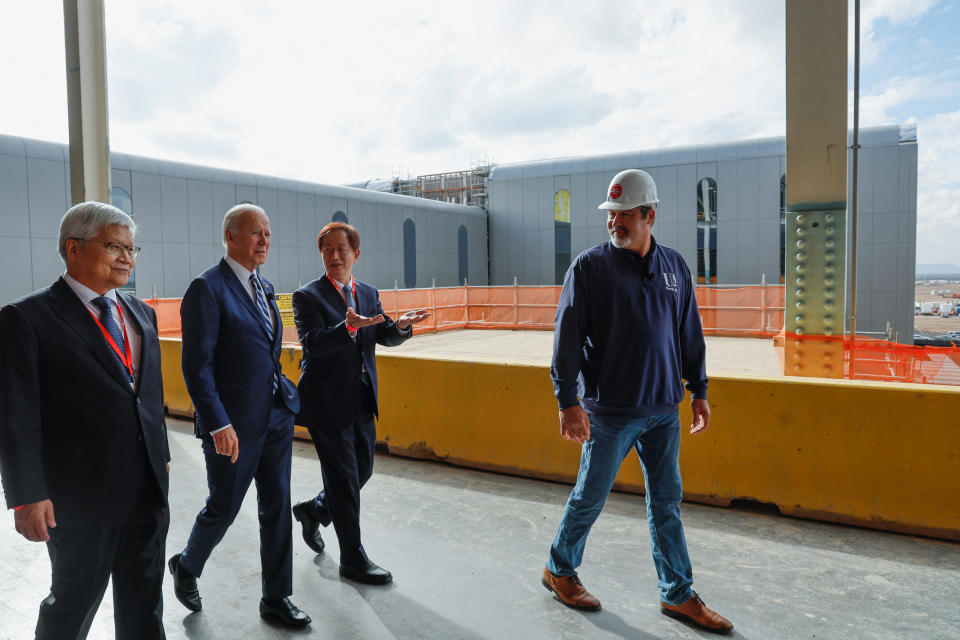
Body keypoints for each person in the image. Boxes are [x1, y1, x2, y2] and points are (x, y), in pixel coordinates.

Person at [541, 169, 733, 634]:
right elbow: (566, 338)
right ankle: (559, 569)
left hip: (664, 411)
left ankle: (678, 594)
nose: (616, 223)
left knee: (667, 502)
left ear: (650, 215)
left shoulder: (675, 267)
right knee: (591, 494)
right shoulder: (589, 268)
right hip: (610, 412)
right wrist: (568, 399)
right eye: (612, 215)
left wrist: (699, 390)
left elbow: (689, 333)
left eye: (626, 215)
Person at [0, 202, 170, 639]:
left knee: (145, 601)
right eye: (115, 246)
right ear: (73, 249)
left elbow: (146, 396)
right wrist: (26, 497)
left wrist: (161, 455)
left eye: (133, 248)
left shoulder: (140, 313)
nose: (127, 258)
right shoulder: (27, 318)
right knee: (73, 604)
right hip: (78, 499)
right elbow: (16, 416)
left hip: (146, 491)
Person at [168, 204, 310, 628]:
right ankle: (188, 565)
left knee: (277, 505)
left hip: (276, 416)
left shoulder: (265, 287)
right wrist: (218, 423)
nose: (265, 241)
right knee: (225, 505)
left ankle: (276, 598)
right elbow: (197, 367)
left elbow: (266, 349)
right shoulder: (206, 289)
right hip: (232, 425)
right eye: (255, 233)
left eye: (267, 233)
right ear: (231, 236)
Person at [291, 222, 429, 585]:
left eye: (341, 249)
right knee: (344, 482)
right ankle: (352, 559)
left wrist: (400, 326)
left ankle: (315, 509)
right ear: (321, 254)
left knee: (361, 472)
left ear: (356, 253)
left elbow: (380, 333)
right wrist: (348, 328)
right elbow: (313, 343)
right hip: (325, 403)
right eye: (327, 250)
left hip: (363, 399)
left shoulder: (367, 292)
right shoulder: (307, 296)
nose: (334, 256)